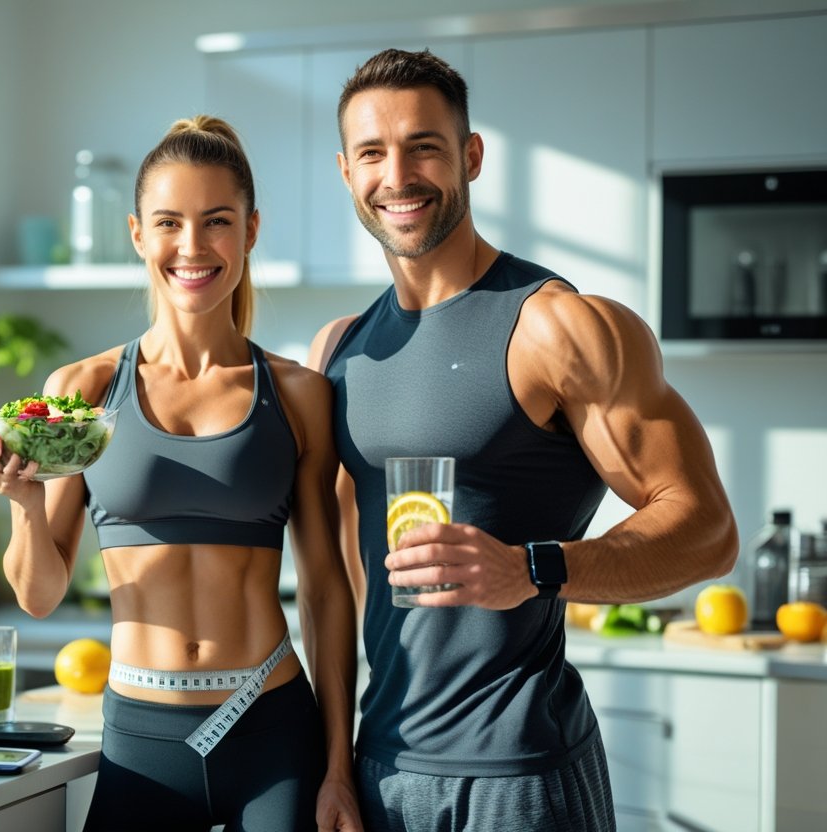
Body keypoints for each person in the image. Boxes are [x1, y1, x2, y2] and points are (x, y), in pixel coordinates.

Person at [307, 48, 739, 832]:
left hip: (521, 776)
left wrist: (530, 568)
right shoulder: (340, 352)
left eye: (424, 146)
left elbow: (707, 530)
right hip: (382, 772)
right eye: (372, 152)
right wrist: (336, 766)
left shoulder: (560, 325)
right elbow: (337, 582)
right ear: (346, 172)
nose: (397, 175)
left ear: (471, 156)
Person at [0, 115, 362, 832]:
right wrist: (24, 503)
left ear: (249, 231)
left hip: (272, 728)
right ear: (138, 234)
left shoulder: (299, 394)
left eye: (217, 221)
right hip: (142, 739)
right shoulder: (83, 392)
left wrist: (339, 767)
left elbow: (327, 590)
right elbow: (37, 594)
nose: (192, 246)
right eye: (169, 222)